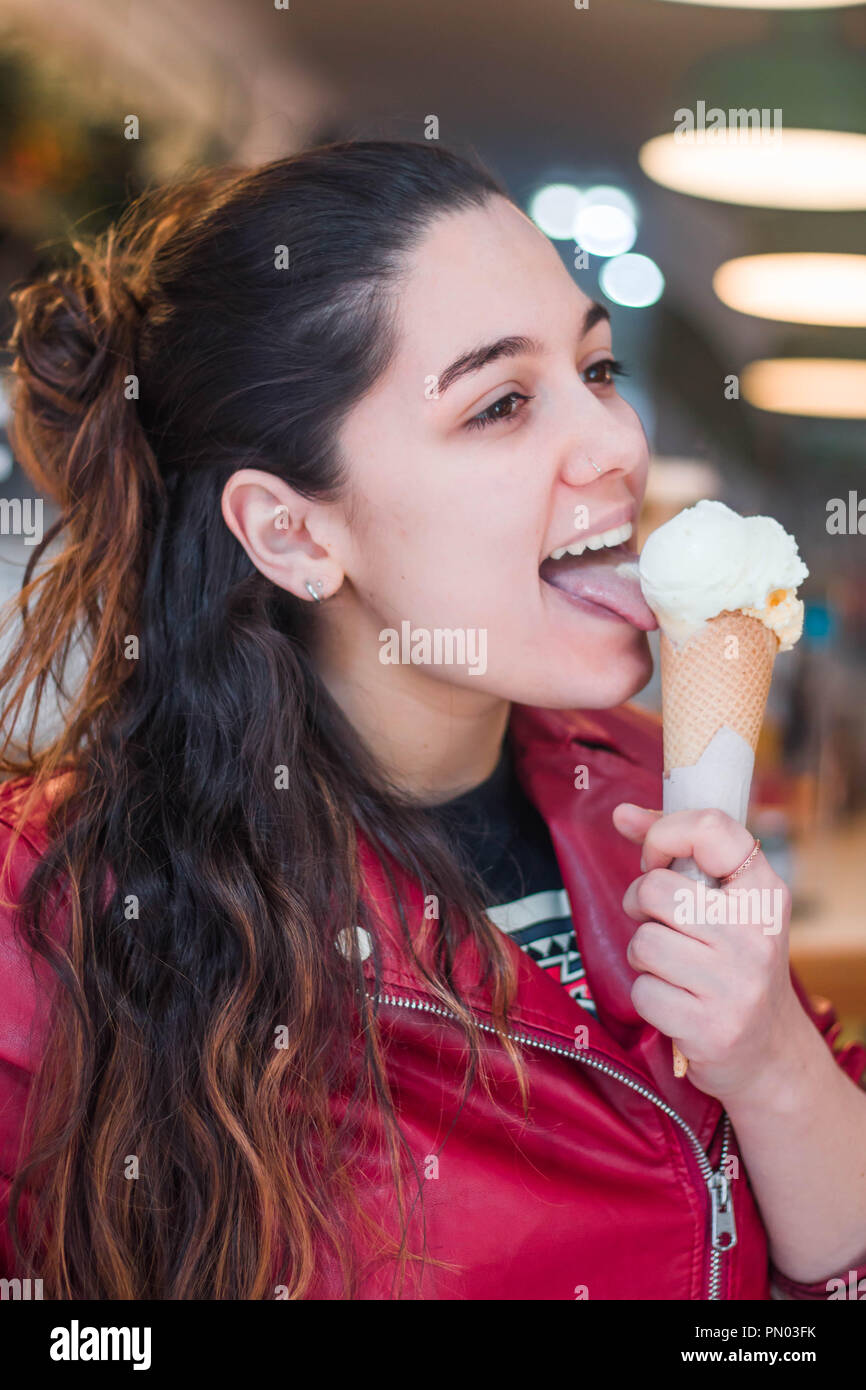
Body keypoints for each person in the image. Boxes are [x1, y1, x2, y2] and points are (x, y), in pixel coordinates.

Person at [0, 140, 864, 1301]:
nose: (616, 445)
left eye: (596, 369)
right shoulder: (49, 914)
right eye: (500, 403)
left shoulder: (649, 784)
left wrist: (771, 1065)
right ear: (295, 534)